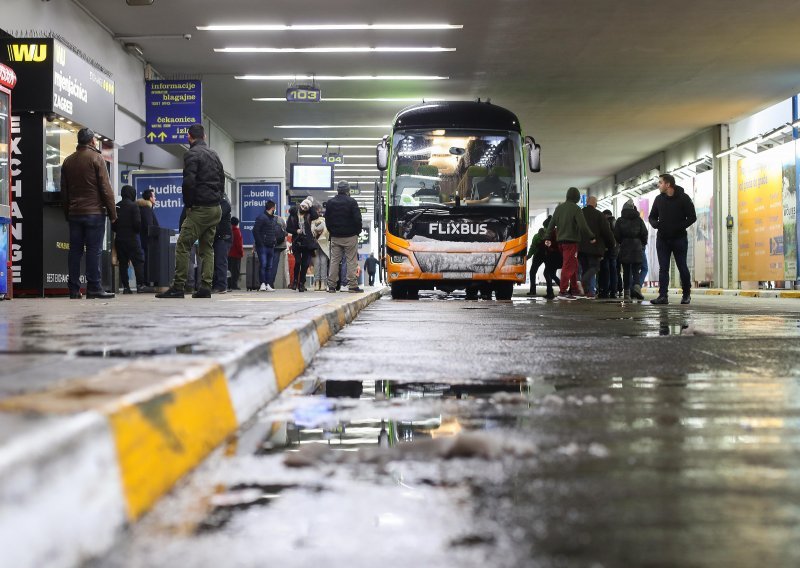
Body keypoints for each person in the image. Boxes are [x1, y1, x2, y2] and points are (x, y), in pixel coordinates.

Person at [156, 124, 224, 299]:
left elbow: (188, 183)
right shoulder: (214, 155)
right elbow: (222, 179)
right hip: (215, 208)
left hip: (200, 208)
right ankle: (206, 287)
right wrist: (217, 199)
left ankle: (178, 286)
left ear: (189, 136)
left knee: (182, 245)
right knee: (207, 248)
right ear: (205, 136)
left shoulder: (191, 154)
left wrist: (188, 204)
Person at [60, 127, 117, 299]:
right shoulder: (96, 158)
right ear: (92, 141)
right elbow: (106, 189)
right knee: (94, 250)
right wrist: (113, 213)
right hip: (94, 213)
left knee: (75, 251)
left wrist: (67, 212)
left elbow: (65, 191)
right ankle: (94, 288)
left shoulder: (68, 161)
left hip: (75, 213)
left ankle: (74, 290)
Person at [648, 173, 697, 305]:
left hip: (679, 239)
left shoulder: (684, 198)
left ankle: (686, 294)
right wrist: (656, 224)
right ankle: (663, 296)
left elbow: (692, 217)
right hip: (662, 239)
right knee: (663, 268)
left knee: (682, 267)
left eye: (660, 183)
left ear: (667, 184)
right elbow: (651, 216)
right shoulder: (659, 199)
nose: (658, 185)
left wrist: (679, 227)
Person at [545, 187, 595, 301]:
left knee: (573, 265)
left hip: (561, 243)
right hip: (571, 242)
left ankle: (574, 290)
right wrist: (591, 236)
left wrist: (547, 237)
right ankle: (562, 291)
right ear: (576, 197)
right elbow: (583, 225)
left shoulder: (559, 208)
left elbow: (551, 224)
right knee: (568, 266)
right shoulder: (576, 209)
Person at [325, 180, 363, 293]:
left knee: (334, 261)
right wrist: (357, 231)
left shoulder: (330, 202)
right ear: (348, 190)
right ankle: (352, 286)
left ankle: (331, 286)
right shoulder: (352, 202)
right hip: (350, 236)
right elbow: (357, 219)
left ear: (337, 190)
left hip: (336, 236)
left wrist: (332, 231)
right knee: (351, 261)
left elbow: (327, 219)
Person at [113, 185, 152, 294]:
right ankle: (140, 285)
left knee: (123, 263)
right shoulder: (134, 206)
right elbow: (137, 223)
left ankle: (126, 287)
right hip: (132, 239)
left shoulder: (117, 206)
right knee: (138, 261)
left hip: (120, 239)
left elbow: (113, 225)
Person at [579, 196, 616, 299]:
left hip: (580, 247)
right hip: (594, 247)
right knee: (594, 267)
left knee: (585, 269)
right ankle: (585, 285)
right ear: (595, 204)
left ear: (586, 202)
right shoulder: (599, 215)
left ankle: (587, 292)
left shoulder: (580, 214)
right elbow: (606, 232)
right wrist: (612, 244)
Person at [615, 200, 648, 301]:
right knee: (636, 270)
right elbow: (644, 233)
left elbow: (616, 235)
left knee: (626, 271)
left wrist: (622, 242)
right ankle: (637, 286)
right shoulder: (638, 220)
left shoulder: (620, 220)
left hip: (625, 246)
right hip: (637, 247)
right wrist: (642, 243)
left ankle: (627, 293)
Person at [286, 198, 319, 292]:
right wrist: (296, 231)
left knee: (305, 264)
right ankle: (295, 281)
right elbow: (288, 229)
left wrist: (311, 205)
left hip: (307, 242)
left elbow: (315, 216)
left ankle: (301, 283)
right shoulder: (292, 215)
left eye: (305, 207)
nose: (303, 208)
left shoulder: (309, 215)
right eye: (302, 206)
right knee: (297, 262)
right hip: (296, 241)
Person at [253, 200, 279, 292]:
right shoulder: (261, 218)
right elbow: (255, 231)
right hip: (263, 246)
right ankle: (262, 283)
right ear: (272, 208)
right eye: (275, 207)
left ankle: (268, 284)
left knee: (269, 266)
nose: (275, 209)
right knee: (263, 265)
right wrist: (260, 243)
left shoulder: (272, 218)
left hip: (271, 245)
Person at [137, 188, 159, 286]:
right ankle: (146, 282)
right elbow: (149, 226)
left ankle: (147, 281)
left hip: (148, 241)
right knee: (148, 261)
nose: (155, 198)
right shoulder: (146, 209)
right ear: (150, 198)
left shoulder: (146, 208)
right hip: (149, 241)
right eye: (154, 196)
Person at [212, 193, 232, 294]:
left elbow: (217, 216)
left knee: (220, 262)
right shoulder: (218, 204)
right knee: (216, 262)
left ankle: (222, 286)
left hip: (223, 237)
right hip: (217, 237)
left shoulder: (224, 204)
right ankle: (217, 285)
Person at [598, 210, 619, 299]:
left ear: (605, 215)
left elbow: (604, 236)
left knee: (605, 271)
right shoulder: (616, 223)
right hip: (614, 251)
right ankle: (614, 291)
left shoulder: (605, 223)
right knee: (613, 270)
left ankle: (605, 291)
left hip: (606, 251)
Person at [526, 219, 547, 296]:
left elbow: (533, 247)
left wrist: (529, 256)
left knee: (532, 272)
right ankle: (550, 291)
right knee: (549, 273)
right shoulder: (552, 233)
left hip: (538, 255)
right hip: (548, 255)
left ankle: (533, 290)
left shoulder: (537, 235)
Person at [311, 204, 330, 291]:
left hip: (318, 243)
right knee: (321, 263)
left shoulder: (312, 221)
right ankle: (321, 283)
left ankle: (319, 283)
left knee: (319, 262)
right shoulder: (323, 220)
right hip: (321, 243)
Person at [270, 213, 287, 289]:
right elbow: (285, 232)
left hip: (268, 245)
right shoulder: (280, 219)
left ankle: (265, 282)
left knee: (266, 264)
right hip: (278, 246)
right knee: (274, 265)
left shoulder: (264, 219)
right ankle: (271, 283)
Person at [228, 217, 244, 290]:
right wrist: (241, 253)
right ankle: (234, 285)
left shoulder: (229, 231)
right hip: (236, 254)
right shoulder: (237, 231)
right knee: (236, 271)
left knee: (229, 270)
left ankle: (229, 285)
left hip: (229, 254)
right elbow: (239, 244)